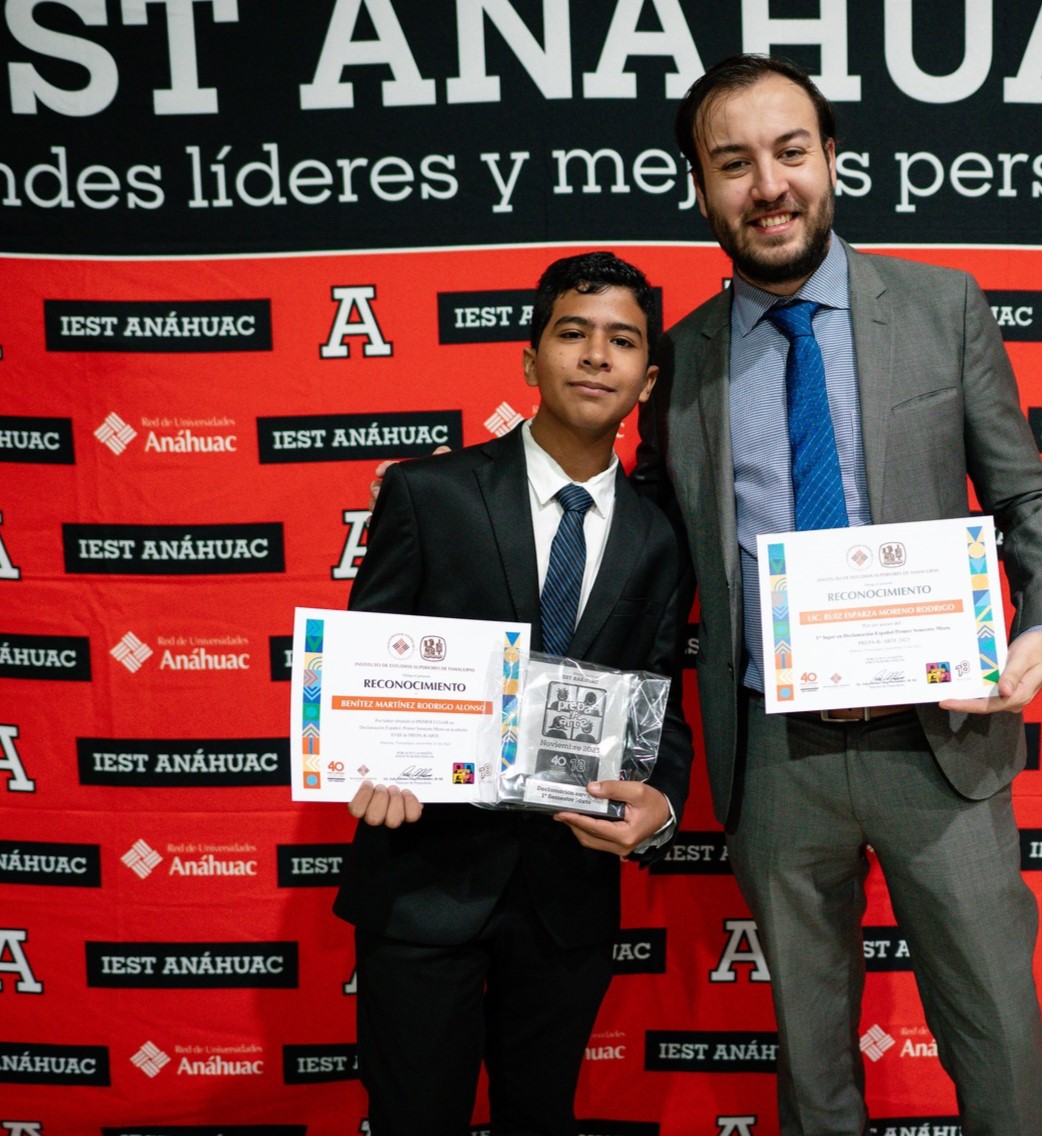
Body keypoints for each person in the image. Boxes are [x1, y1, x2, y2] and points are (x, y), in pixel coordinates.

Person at [633, 54, 1042, 1136]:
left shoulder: (940, 308)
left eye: (790, 152)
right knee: (812, 1060)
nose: (768, 185)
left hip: (940, 745)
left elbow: (1030, 495)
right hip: (773, 760)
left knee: (997, 1040)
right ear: (699, 188)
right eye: (732, 163)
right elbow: (644, 560)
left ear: (830, 158)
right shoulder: (680, 359)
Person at [335, 251, 694, 1136]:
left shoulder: (661, 538)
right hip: (423, 878)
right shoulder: (429, 493)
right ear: (530, 361)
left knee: (541, 1117)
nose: (595, 356)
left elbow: (659, 705)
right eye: (572, 333)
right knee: (416, 1119)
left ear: (647, 380)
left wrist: (667, 805)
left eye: (621, 341)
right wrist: (367, 763)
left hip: (566, 894)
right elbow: (367, 668)